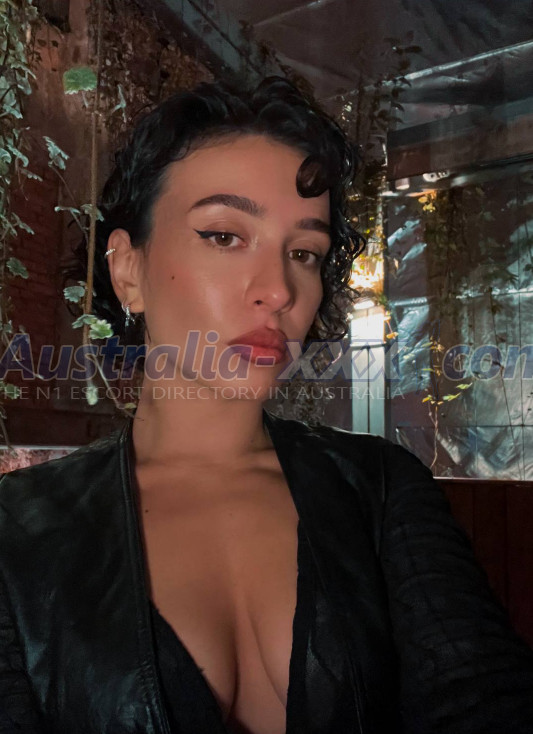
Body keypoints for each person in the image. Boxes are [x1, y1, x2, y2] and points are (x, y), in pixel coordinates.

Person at [1, 76, 533, 734]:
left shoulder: (379, 489)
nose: (279, 290)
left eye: (304, 252)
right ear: (127, 270)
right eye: (224, 236)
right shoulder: (17, 531)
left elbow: (478, 691)